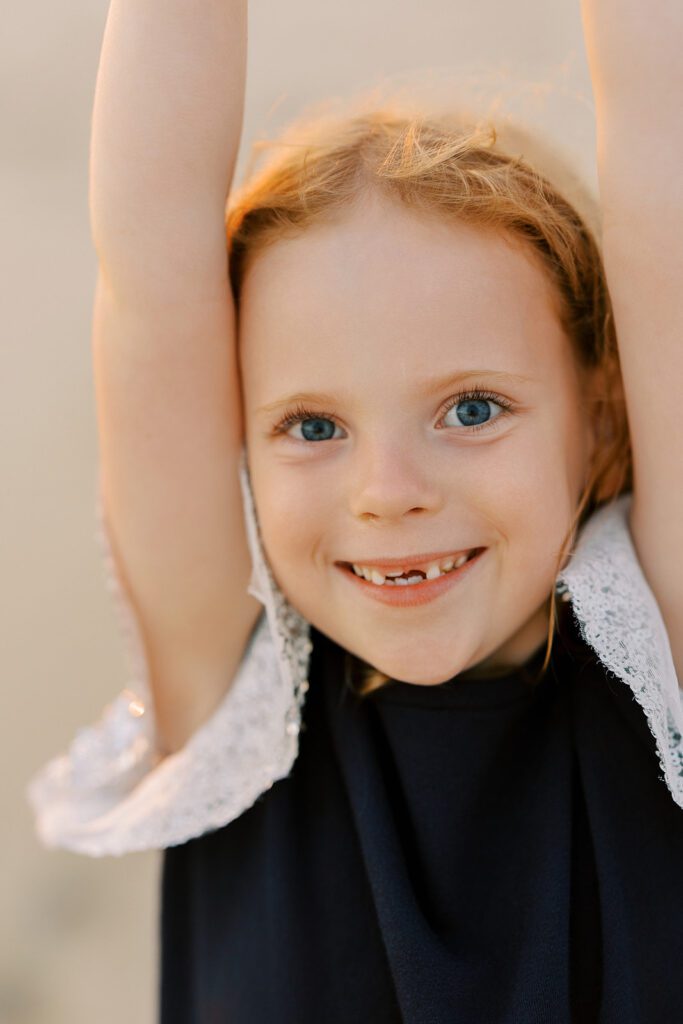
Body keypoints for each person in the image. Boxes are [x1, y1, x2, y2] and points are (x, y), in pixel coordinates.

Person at [27, 0, 683, 1020]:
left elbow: (663, 160)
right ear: (234, 447)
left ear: (602, 421)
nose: (387, 492)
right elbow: (151, 277)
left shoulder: (663, 672)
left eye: (470, 408)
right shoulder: (227, 698)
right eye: (313, 427)